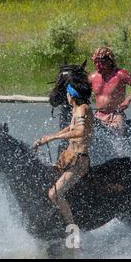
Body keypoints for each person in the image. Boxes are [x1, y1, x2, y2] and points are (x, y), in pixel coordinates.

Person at [33, 79, 93, 226]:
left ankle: (72, 228)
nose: (66, 96)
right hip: (69, 158)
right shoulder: (78, 109)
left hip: (78, 162)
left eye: (67, 93)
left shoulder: (81, 109)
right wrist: (49, 137)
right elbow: (71, 127)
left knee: (54, 193)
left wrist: (53, 137)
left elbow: (80, 131)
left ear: (72, 95)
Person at [89, 47, 131, 135]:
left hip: (116, 116)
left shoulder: (120, 74)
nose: (97, 65)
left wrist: (127, 100)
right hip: (98, 115)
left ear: (110, 61)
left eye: (101, 62)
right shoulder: (92, 77)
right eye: (95, 62)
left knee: (114, 138)